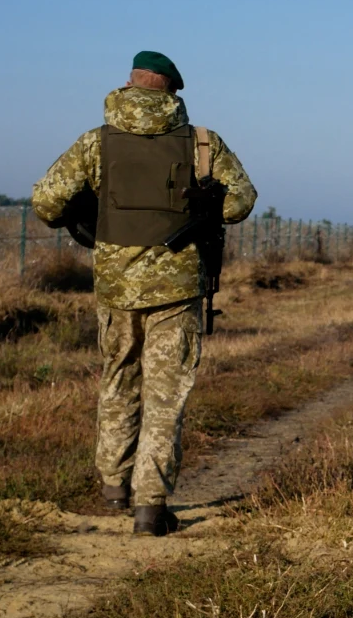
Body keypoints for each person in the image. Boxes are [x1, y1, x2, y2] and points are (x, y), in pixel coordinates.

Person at [31, 51, 257, 536]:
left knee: (117, 380)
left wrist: (86, 217)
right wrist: (206, 199)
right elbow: (240, 203)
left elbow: (47, 202)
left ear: (128, 85)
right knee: (165, 394)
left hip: (114, 287)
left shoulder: (96, 142)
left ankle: (114, 485)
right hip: (177, 289)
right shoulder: (202, 144)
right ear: (173, 91)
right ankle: (150, 508)